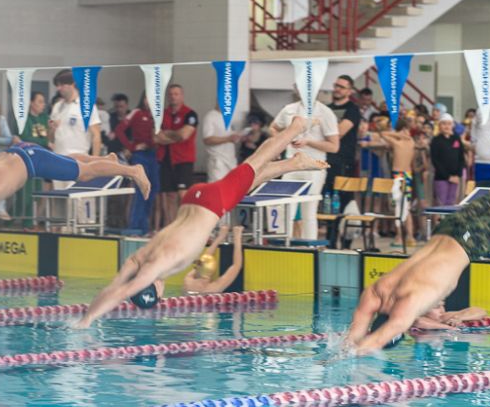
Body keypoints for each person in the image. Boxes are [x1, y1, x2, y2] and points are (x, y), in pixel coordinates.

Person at [79, 115, 328, 326]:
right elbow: (113, 288)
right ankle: (293, 163)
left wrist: (87, 322)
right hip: (192, 199)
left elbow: (122, 292)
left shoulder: (155, 265)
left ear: (154, 289)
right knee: (244, 183)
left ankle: (296, 127)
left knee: (254, 163)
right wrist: (86, 318)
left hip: (212, 204)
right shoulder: (139, 257)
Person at [345, 155, 490, 352]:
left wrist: (349, 357)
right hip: (445, 232)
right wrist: (344, 347)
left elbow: (378, 338)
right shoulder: (376, 292)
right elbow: (358, 330)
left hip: (469, 243)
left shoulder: (407, 307)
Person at [0, 145, 152, 278]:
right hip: (19, 151)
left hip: (31, 162)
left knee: (84, 173)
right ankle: (104, 158)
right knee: (66, 162)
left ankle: (133, 170)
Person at [269, 88, 339, 241]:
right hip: (290, 163)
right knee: (286, 206)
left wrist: (308, 142)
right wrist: (282, 141)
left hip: (314, 166)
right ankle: (284, 243)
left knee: (309, 210)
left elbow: (334, 146)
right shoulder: (289, 109)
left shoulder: (325, 112)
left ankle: (311, 247)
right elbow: (273, 127)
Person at [155, 84, 198, 228]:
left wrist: (167, 133)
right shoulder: (162, 114)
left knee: (183, 195)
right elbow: (156, 138)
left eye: (176, 94)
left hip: (183, 160)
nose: (173, 96)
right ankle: (171, 226)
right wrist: (176, 135)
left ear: (182, 96)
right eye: (171, 94)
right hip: (165, 159)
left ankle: (186, 226)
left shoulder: (190, 114)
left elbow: (184, 135)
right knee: (169, 195)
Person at [49, 69, 101, 187]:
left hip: (78, 161)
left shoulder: (87, 105)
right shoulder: (57, 107)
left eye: (62, 85)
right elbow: (51, 139)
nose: (58, 88)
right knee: (59, 198)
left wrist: (95, 161)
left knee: (77, 200)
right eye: (57, 85)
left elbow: (96, 136)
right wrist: (52, 129)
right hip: (58, 160)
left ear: (72, 84)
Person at [372, 116, 416, 247]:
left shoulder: (397, 143)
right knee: (405, 207)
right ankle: (410, 237)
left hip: (399, 177)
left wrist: (398, 134)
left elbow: (382, 133)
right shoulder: (411, 142)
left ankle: (399, 237)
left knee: (398, 207)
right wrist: (402, 134)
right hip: (408, 176)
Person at [116, 100, 159, 234]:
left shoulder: (158, 115)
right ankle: (135, 227)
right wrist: (132, 147)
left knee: (153, 189)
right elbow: (119, 130)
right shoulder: (137, 112)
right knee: (140, 190)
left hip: (154, 155)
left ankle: (144, 226)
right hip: (140, 155)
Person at [12, 91, 51, 228]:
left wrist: (43, 142)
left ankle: (32, 221)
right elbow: (24, 138)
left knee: (39, 192)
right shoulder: (23, 119)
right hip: (27, 160)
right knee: (25, 193)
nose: (43, 104)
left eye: (43, 101)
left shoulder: (45, 118)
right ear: (31, 103)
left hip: (43, 160)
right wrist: (43, 142)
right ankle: (19, 221)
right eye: (40, 101)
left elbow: (49, 138)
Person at [325, 74, 362, 206]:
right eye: (336, 86)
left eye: (342, 87)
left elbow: (339, 133)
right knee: (326, 200)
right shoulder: (326, 109)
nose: (337, 89)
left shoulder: (352, 109)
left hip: (343, 161)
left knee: (342, 201)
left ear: (349, 91)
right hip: (326, 159)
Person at [183, 226, 244, 294]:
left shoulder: (187, 281)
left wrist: (220, 237)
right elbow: (236, 265)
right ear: (212, 271)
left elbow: (203, 260)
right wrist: (237, 237)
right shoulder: (213, 288)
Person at [429, 112, 465, 206]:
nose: (447, 126)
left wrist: (458, 175)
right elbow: (435, 161)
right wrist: (448, 177)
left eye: (449, 124)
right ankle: (438, 221)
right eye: (444, 123)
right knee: (441, 204)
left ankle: (449, 221)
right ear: (439, 125)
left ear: (452, 125)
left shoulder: (456, 138)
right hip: (441, 178)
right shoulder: (436, 140)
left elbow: (461, 158)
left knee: (451, 204)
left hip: (455, 177)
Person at [202, 107, 240, 183]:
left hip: (231, 160)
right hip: (218, 161)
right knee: (216, 188)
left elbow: (233, 135)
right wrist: (228, 139)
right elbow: (207, 140)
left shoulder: (231, 115)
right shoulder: (210, 117)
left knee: (232, 187)